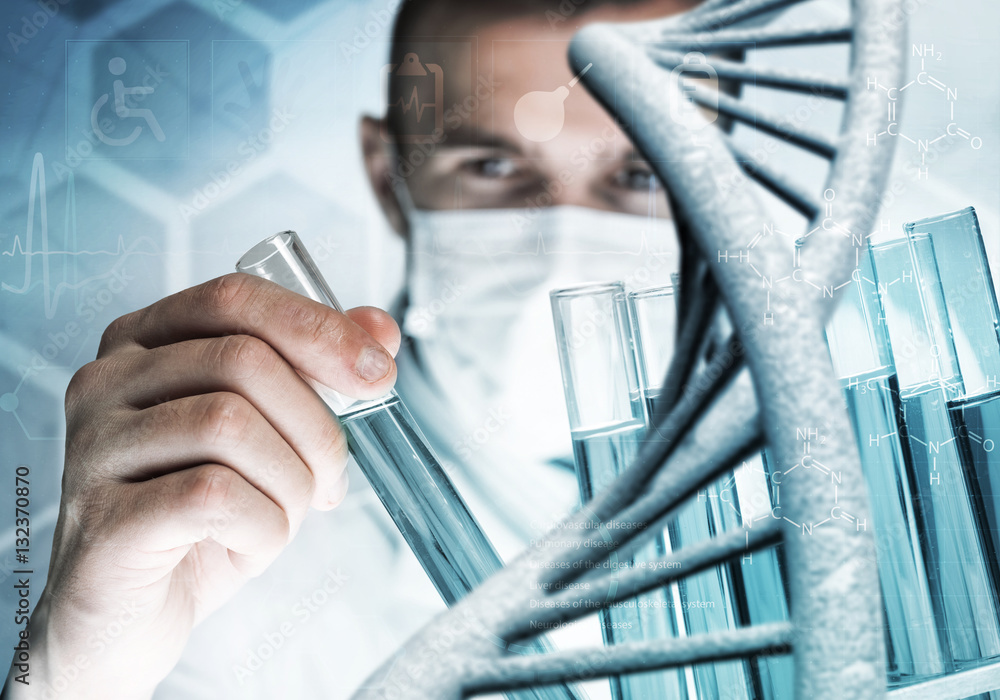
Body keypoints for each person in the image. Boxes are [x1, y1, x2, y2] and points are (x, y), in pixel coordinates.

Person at [4, 0, 695, 697]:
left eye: (640, 175)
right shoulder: (223, 551)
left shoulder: (794, 491)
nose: (560, 244)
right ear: (387, 172)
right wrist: (70, 671)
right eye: (491, 165)